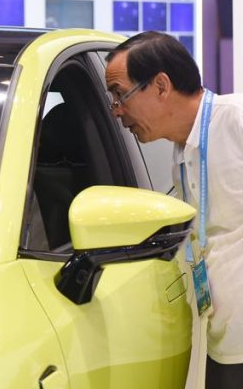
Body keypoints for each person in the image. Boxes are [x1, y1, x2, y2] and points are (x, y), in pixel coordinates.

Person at [104, 31, 243, 387]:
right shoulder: (180, 154)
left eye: (120, 94)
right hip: (223, 342)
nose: (116, 110)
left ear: (161, 85)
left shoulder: (235, 120)